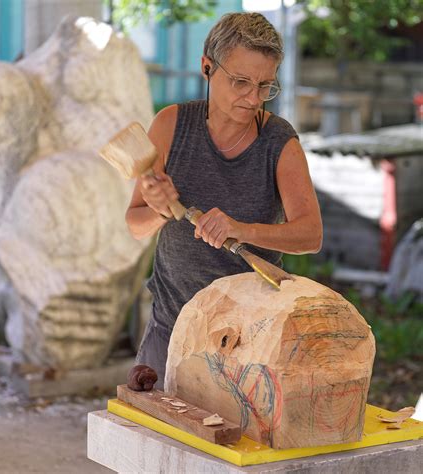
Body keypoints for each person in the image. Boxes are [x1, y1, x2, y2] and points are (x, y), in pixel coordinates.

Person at [126, 12, 323, 389]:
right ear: (206, 67)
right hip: (172, 327)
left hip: (250, 340)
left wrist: (240, 228)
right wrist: (159, 210)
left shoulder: (279, 142)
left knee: (237, 446)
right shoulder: (171, 125)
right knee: (159, 441)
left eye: (265, 85)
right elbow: (134, 225)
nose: (253, 98)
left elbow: (310, 235)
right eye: (240, 82)